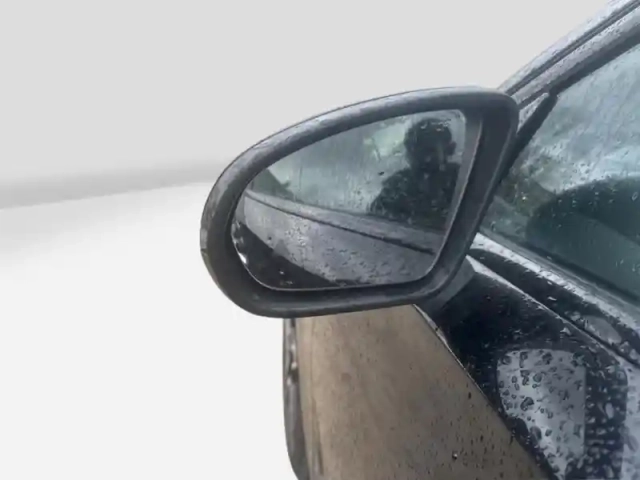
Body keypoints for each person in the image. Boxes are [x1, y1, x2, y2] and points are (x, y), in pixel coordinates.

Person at [368, 117, 460, 230]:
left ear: (450, 149)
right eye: (416, 152)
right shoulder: (397, 186)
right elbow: (374, 218)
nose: (424, 159)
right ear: (409, 154)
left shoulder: (463, 179)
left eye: (429, 151)